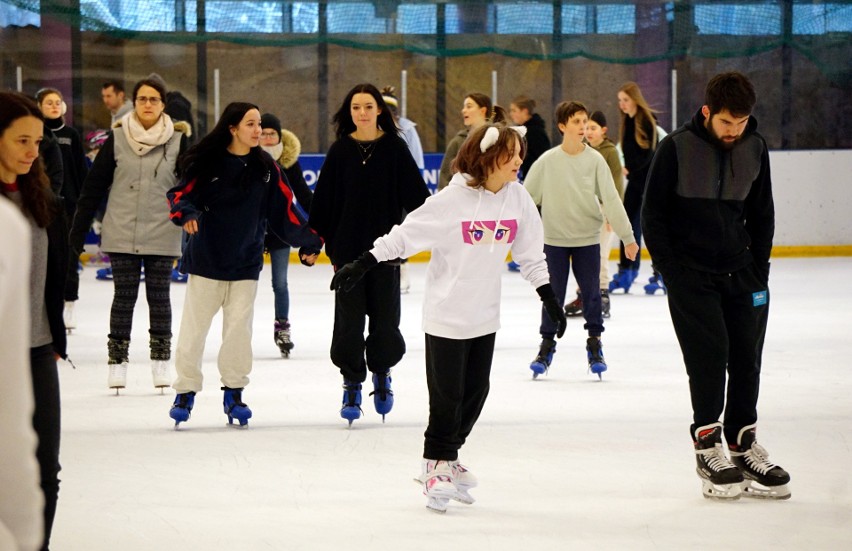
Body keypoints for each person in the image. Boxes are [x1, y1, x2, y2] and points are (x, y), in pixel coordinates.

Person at [330, 123, 567, 513]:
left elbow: (530, 254)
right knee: (447, 397)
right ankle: (436, 462)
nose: (520, 160)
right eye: (512, 153)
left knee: (476, 394)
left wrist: (549, 298)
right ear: (488, 156)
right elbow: (405, 235)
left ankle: (449, 458)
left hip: (485, 316)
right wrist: (364, 262)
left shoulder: (518, 199)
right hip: (446, 316)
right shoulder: (451, 202)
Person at [642, 72, 790, 501]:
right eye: (727, 123)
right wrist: (673, 273)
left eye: (741, 123)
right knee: (710, 358)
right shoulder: (676, 148)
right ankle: (708, 446)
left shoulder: (754, 148)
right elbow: (653, 216)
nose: (734, 131)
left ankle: (744, 447)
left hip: (743, 273)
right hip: (692, 274)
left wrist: (758, 271)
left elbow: (763, 214)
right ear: (707, 112)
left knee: (747, 358)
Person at [166, 102, 323, 428]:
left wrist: (310, 240)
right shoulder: (208, 162)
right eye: (251, 124)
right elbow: (180, 195)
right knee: (194, 332)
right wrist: (186, 213)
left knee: (238, 332)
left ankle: (234, 393)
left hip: (246, 263)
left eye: (259, 124)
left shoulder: (265, 167)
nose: (258, 131)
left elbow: (287, 211)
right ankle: (185, 392)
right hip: (208, 261)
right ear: (233, 128)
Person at [309, 83, 430, 426]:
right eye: (356, 107)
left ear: (380, 110)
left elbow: (419, 200)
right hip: (347, 252)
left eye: (368, 106)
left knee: (385, 320)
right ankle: (351, 381)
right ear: (349, 112)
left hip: (386, 251)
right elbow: (324, 203)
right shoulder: (339, 151)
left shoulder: (395, 148)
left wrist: (432, 230)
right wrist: (313, 242)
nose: (362, 112)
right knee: (348, 323)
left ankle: (381, 372)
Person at [70, 77, 190, 394]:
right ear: (133, 103)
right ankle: (117, 363)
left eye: (153, 99)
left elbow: (192, 188)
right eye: (142, 99)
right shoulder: (118, 137)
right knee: (124, 296)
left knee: (159, 296)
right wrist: (76, 234)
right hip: (122, 228)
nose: (147, 104)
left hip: (163, 230)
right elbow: (93, 188)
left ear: (163, 104)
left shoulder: (178, 141)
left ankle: (160, 361)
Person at [524, 101, 638, 380]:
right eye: (576, 121)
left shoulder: (595, 161)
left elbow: (611, 199)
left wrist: (628, 238)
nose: (583, 127)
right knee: (553, 296)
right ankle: (547, 346)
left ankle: (595, 345)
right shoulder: (548, 162)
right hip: (554, 241)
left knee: (592, 294)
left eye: (585, 121)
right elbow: (525, 201)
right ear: (562, 126)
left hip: (588, 239)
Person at [0, 91, 69, 551]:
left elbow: (52, 274)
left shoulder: (41, 198)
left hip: (37, 348)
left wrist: (56, 331)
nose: (32, 151)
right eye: (21, 140)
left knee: (45, 468)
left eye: (38, 142)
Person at [260, 112, 314, 358]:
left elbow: (303, 194)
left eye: (272, 134)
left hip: (280, 232)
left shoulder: (289, 163)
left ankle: (282, 328)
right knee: (243, 284)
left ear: (279, 137)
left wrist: (320, 219)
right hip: (253, 232)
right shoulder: (248, 159)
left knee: (280, 283)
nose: (268, 138)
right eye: (264, 133)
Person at [35, 87, 89, 334]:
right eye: (49, 102)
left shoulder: (71, 135)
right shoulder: (36, 135)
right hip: (42, 202)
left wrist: (82, 202)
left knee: (69, 257)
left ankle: (69, 305)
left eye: (58, 102)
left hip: (69, 205)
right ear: (39, 106)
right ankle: (46, 306)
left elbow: (81, 171)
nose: (55, 106)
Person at [564, 110, 624, 319]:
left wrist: (612, 214)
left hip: (604, 209)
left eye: (593, 128)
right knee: (582, 254)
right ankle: (585, 293)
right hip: (584, 209)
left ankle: (603, 295)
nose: (588, 131)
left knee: (600, 253)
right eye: (586, 127)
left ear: (604, 131)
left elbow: (616, 185)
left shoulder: (609, 153)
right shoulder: (583, 151)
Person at [608, 81, 658, 293]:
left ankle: (660, 272)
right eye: (620, 100)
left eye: (625, 100)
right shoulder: (627, 121)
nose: (622, 104)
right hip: (636, 181)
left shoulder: (647, 120)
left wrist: (631, 168)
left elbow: (649, 153)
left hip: (649, 182)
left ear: (635, 99)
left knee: (652, 227)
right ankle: (628, 270)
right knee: (628, 226)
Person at [381, 85, 425, 293]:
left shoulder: (407, 130)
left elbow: (417, 161)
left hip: (402, 191)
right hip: (382, 191)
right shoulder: (372, 128)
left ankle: (402, 270)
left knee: (400, 231)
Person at [438, 92, 505, 192]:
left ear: (482, 110)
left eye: (469, 106)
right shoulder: (458, 142)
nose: (463, 110)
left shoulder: (500, 138)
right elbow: (445, 177)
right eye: (464, 107)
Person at [508, 95, 550, 181]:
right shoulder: (522, 131)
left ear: (525, 111)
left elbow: (541, 159)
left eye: (514, 110)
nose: (511, 114)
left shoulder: (535, 132)